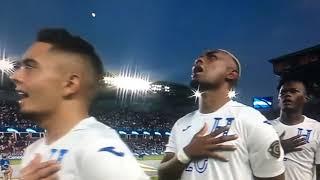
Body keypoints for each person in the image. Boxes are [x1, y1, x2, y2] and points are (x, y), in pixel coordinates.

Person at [10, 28, 149, 180]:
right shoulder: (33, 150)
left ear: (70, 83)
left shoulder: (98, 150)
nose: (15, 76)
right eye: (20, 66)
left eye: (30, 66)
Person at [158, 49, 285, 180]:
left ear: (231, 74)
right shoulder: (181, 124)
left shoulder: (251, 119)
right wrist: (186, 153)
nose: (199, 60)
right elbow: (163, 175)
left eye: (212, 58)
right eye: (199, 58)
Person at [268, 75, 320, 180]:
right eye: (283, 92)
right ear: (278, 98)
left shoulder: (317, 129)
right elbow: (251, 162)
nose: (287, 94)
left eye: (293, 91)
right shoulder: (264, 127)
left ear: (306, 98)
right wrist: (277, 149)